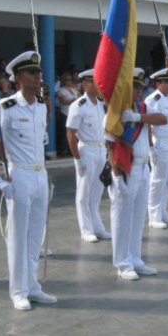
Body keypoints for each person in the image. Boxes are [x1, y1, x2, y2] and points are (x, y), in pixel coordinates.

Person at [0, 51, 56, 311]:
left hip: (39, 174)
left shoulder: (40, 107)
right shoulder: (6, 107)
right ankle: (17, 290)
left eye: (38, 72)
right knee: (18, 235)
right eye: (32, 73)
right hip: (21, 174)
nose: (38, 76)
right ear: (18, 78)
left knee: (36, 235)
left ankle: (32, 285)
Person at [108, 68, 166, 280]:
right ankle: (122, 263)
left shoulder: (142, 107)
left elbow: (162, 119)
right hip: (126, 169)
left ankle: (135, 258)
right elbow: (110, 146)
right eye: (134, 86)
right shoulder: (115, 111)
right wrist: (116, 176)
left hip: (143, 168)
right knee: (122, 218)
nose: (139, 91)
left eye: (141, 87)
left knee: (138, 217)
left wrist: (138, 116)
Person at [66, 69, 111, 242]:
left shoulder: (100, 105)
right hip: (86, 150)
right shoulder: (78, 106)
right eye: (95, 82)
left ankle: (97, 227)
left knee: (97, 192)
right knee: (84, 193)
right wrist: (77, 158)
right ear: (86, 84)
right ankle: (86, 230)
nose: (99, 85)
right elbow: (70, 133)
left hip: (101, 150)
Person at [145, 68, 168, 229]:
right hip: (161, 143)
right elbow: (147, 124)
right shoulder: (153, 100)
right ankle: (153, 216)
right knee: (157, 181)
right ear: (158, 83)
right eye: (167, 82)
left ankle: (162, 211)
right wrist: (150, 147)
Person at [56, 72, 79, 156]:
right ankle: (63, 150)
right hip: (65, 113)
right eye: (67, 79)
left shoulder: (74, 90)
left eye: (70, 80)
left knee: (75, 132)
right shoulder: (61, 90)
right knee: (65, 132)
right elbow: (64, 101)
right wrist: (74, 101)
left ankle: (71, 150)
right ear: (64, 80)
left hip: (74, 114)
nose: (69, 81)